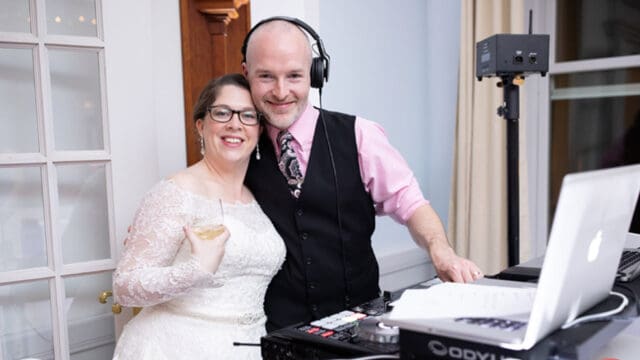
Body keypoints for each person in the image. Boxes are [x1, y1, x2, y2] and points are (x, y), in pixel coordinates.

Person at [242, 17, 484, 332]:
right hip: (277, 333)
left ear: (316, 74)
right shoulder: (238, 147)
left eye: (294, 76)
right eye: (266, 77)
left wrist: (441, 250)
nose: (281, 91)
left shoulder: (360, 135)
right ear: (246, 75)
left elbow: (409, 202)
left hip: (357, 329)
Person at [111, 74, 285, 359]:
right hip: (176, 347)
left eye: (248, 115)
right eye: (222, 113)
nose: (235, 123)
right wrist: (195, 271)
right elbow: (125, 286)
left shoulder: (256, 197)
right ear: (201, 125)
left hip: (248, 346)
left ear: (259, 130)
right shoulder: (176, 191)